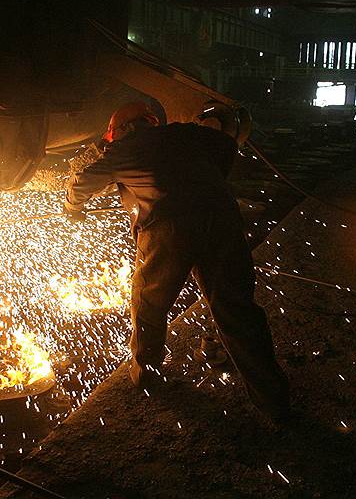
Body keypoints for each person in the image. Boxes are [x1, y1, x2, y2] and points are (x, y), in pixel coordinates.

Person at [64, 101, 291, 422]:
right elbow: (227, 146)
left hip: (169, 230)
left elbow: (80, 184)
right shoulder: (191, 134)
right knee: (236, 309)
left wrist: (73, 208)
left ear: (123, 129)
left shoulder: (124, 149)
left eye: (112, 135)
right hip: (223, 220)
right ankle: (273, 399)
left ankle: (146, 374)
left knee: (149, 304)